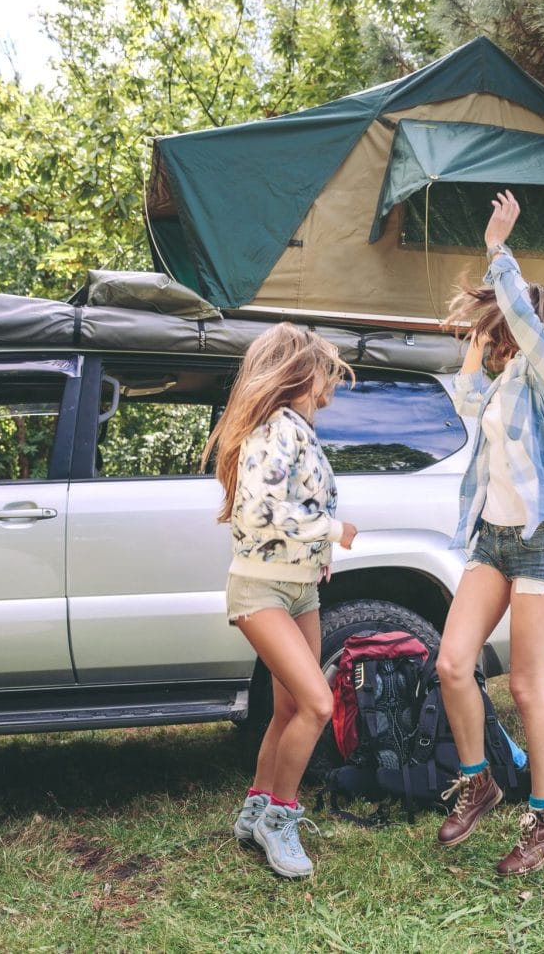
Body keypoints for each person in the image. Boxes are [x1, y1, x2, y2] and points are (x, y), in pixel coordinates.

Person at [435, 190, 544, 875]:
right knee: (451, 663)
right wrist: (476, 338)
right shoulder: (504, 384)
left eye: (506, 328)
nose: (502, 337)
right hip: (492, 540)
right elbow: (465, 399)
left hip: (540, 542)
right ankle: (480, 781)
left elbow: (522, 316)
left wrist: (499, 250)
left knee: (527, 687)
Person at [201, 322, 358, 879]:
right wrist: (331, 531)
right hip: (261, 587)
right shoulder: (275, 429)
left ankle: (255, 809)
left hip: (300, 588)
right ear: (299, 372)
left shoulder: (296, 428)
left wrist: (317, 557)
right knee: (318, 704)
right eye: (325, 371)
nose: (331, 382)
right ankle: (281, 818)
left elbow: (292, 502)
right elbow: (257, 513)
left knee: (291, 706)